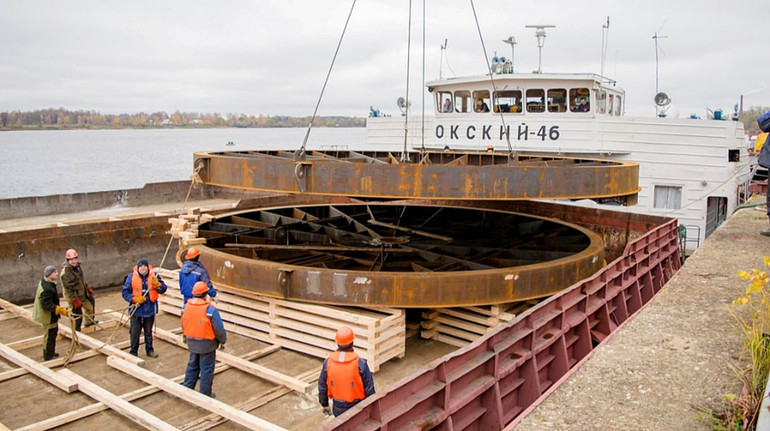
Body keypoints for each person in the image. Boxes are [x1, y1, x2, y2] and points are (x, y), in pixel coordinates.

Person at [318, 326, 375, 417]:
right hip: (357, 406)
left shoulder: (328, 362)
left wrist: (324, 404)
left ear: (337, 342)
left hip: (338, 406)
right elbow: (369, 389)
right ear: (352, 342)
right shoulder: (360, 363)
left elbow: (322, 386)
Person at [182, 281, 227, 397]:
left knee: (192, 366)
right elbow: (219, 329)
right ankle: (205, 395)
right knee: (206, 370)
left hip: (192, 343)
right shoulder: (210, 310)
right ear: (205, 294)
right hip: (207, 345)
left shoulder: (185, 307)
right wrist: (223, 341)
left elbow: (184, 323)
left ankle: (187, 389)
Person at [121, 257, 167, 358]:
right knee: (134, 333)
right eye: (140, 266)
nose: (142, 268)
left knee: (148, 332)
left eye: (144, 266)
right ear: (137, 268)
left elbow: (163, 289)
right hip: (136, 311)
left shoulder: (154, 276)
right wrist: (134, 299)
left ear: (147, 267)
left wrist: (158, 285)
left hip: (149, 310)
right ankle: (133, 351)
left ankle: (149, 350)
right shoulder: (131, 277)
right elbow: (125, 292)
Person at [32, 265, 68, 360]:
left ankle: (51, 352)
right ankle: (48, 356)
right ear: (49, 275)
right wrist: (62, 311)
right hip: (47, 316)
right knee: (49, 336)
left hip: (50, 315)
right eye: (55, 272)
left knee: (53, 333)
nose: (57, 274)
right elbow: (47, 305)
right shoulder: (47, 288)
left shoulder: (47, 282)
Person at [60, 248, 95, 331]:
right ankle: (75, 331)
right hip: (73, 297)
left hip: (81, 293)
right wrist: (74, 299)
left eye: (75, 259)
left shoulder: (77, 267)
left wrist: (86, 287)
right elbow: (69, 288)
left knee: (90, 307)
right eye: (71, 260)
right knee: (76, 315)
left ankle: (89, 323)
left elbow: (80, 280)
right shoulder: (66, 273)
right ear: (67, 260)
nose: (74, 261)